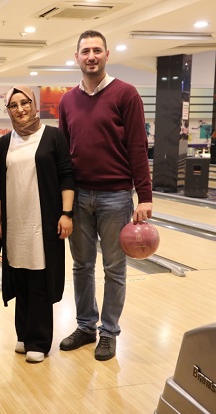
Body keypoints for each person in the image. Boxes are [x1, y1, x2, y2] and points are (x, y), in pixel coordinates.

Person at [57, 30, 153, 361]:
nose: (91, 56)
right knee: (82, 266)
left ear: (107, 55)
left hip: (116, 196)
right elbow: (64, 154)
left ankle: (109, 332)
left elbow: (137, 146)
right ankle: (86, 326)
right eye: (85, 51)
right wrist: (63, 200)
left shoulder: (126, 93)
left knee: (114, 268)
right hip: (79, 195)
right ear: (77, 57)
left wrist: (144, 196)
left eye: (97, 50)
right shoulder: (67, 100)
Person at [0, 85, 75, 363]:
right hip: (15, 221)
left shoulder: (53, 136)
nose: (20, 109)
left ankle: (39, 340)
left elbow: (67, 176)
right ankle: (24, 335)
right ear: (8, 110)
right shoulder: (4, 143)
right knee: (20, 276)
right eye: (13, 105)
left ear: (34, 104)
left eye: (24, 102)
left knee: (39, 277)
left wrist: (66, 213)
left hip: (43, 220)